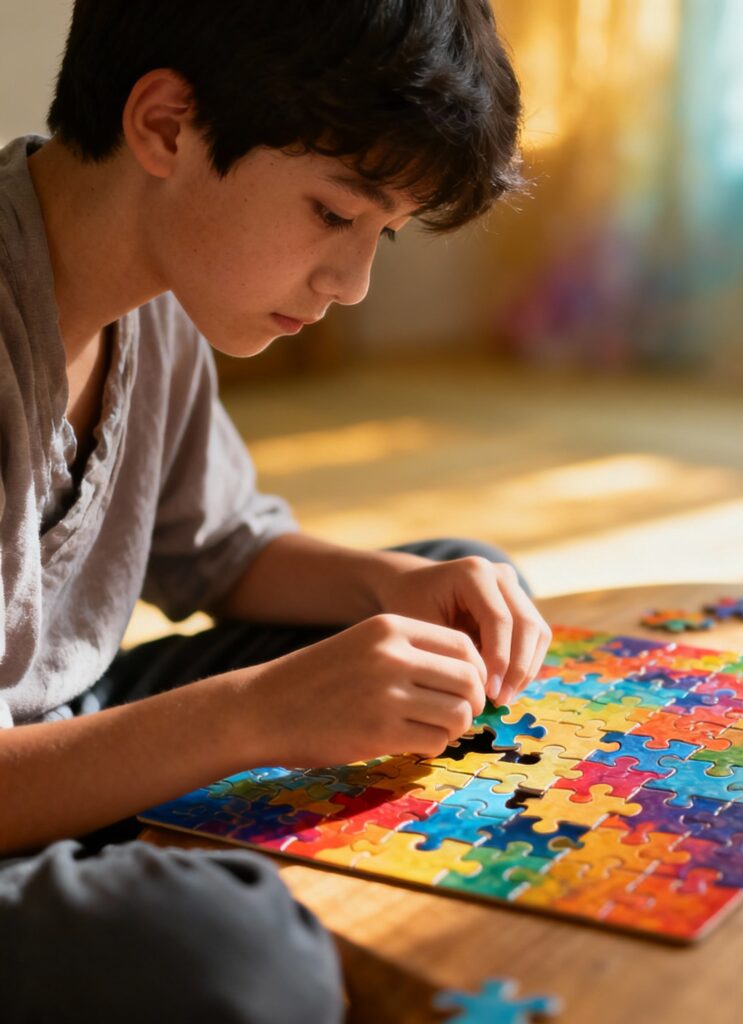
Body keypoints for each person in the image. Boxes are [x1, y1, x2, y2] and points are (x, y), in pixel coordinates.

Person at [0, 2, 548, 1020]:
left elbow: (222, 548)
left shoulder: (149, 294)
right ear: (165, 125)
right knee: (234, 957)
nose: (351, 282)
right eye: (336, 215)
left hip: (59, 729)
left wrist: (397, 583)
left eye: (381, 234)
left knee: (449, 598)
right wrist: (260, 714)